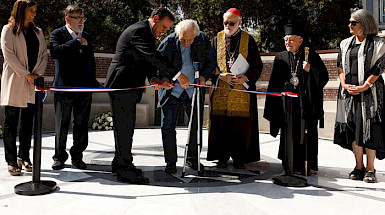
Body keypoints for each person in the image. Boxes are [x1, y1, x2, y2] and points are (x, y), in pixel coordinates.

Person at [105, 7, 175, 184]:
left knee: (125, 127)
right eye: (164, 27)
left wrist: (154, 78)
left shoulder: (146, 33)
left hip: (130, 86)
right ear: (156, 19)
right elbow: (151, 57)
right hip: (121, 85)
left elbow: (146, 62)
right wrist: (177, 74)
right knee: (124, 128)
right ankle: (125, 170)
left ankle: (120, 162)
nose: (164, 32)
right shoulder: (139, 31)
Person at [264, 24, 329, 175]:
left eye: (291, 40)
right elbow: (273, 83)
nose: (288, 43)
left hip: (305, 105)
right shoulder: (280, 57)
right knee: (287, 134)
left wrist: (310, 70)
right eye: (286, 40)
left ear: (300, 41)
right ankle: (288, 163)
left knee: (306, 135)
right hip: (286, 106)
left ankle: (309, 165)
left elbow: (324, 77)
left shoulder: (309, 54)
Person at [157, 19, 216, 174]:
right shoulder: (169, 41)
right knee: (167, 126)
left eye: (190, 40)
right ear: (178, 34)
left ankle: (193, 159)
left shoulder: (202, 39)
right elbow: (159, 64)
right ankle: (170, 162)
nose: (186, 43)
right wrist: (176, 76)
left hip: (193, 91)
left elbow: (211, 61)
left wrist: (204, 76)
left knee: (196, 127)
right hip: (172, 91)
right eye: (183, 39)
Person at [207, 8, 263, 169]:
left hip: (241, 92)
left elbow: (257, 65)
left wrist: (246, 77)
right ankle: (221, 157)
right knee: (221, 125)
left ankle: (240, 158)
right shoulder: (216, 40)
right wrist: (219, 76)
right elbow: (208, 64)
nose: (228, 25)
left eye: (232, 23)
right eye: (225, 22)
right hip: (221, 91)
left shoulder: (248, 40)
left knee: (240, 126)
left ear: (239, 22)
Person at [334, 9, 385, 183]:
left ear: (364, 24)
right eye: (349, 22)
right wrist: (343, 84)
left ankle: (370, 169)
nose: (350, 25)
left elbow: (379, 67)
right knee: (354, 129)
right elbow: (340, 65)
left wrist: (365, 85)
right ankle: (358, 166)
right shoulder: (345, 43)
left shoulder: (377, 43)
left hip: (370, 93)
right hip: (350, 93)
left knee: (369, 129)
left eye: (353, 23)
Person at [50, 4, 100, 170]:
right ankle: (59, 157)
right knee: (62, 123)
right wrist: (76, 43)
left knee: (81, 123)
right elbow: (55, 52)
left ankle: (77, 156)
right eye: (77, 18)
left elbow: (90, 61)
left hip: (84, 89)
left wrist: (92, 82)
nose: (81, 21)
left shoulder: (87, 36)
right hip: (64, 88)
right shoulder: (58, 34)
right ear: (67, 19)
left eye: (82, 18)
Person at [1, 0, 47, 175]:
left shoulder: (38, 32)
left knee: (28, 122)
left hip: (32, 83)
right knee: (11, 122)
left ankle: (24, 156)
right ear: (21, 11)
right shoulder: (9, 30)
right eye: (31, 11)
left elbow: (43, 54)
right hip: (15, 80)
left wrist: (36, 74)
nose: (34, 14)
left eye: (35, 11)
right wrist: (26, 74)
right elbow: (8, 55)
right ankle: (11, 160)